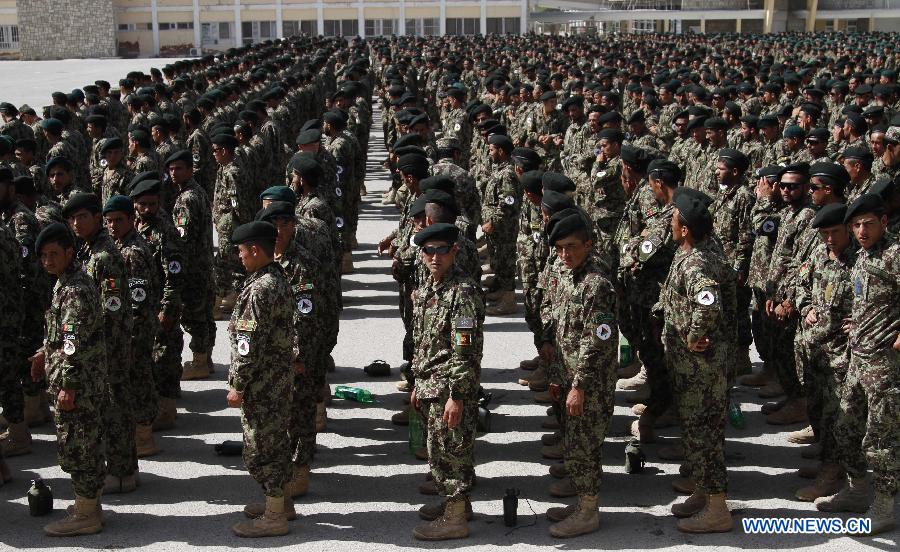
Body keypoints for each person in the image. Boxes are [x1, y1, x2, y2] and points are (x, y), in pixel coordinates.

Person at [816, 194, 899, 536]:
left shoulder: (895, 255)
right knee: (846, 427)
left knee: (882, 437)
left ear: (883, 221)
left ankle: (884, 504)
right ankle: (858, 488)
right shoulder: (863, 257)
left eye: (868, 223)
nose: (861, 231)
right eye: (856, 225)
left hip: (885, 365)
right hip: (858, 359)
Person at [657, 187, 736, 533]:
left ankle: (718, 508)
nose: (670, 225)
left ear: (685, 228)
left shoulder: (696, 262)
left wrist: (693, 335)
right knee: (696, 431)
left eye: (673, 220)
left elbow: (707, 303)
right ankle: (703, 492)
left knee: (705, 435)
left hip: (701, 368)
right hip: (692, 368)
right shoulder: (692, 252)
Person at [540, 211, 618, 538]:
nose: (564, 255)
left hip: (590, 383)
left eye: (571, 247)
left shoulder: (595, 285)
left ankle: (588, 511)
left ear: (588, 244)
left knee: (584, 446)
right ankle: (581, 504)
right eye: (559, 248)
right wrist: (558, 375)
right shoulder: (569, 274)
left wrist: (580, 385)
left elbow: (597, 341)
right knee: (573, 443)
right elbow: (564, 330)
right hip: (569, 376)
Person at [410, 223, 485, 541]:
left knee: (450, 451)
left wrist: (458, 395)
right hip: (430, 384)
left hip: (449, 387)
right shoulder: (429, 288)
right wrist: (417, 381)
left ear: (454, 251)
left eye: (442, 249)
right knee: (440, 449)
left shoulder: (462, 293)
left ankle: (455, 518)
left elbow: (465, 350)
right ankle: (458, 506)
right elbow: (423, 342)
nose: (435, 256)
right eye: (429, 250)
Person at [32, 223, 107, 536]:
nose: (48, 260)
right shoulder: (66, 282)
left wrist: (68, 386)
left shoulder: (74, 291)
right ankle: (88, 505)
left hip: (79, 383)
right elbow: (64, 336)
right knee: (81, 442)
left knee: (79, 446)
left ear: (69, 253)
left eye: (54, 254)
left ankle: (86, 515)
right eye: (43, 255)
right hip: (78, 379)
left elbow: (72, 345)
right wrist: (43, 352)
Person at [226, 221, 294, 537]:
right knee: (275, 441)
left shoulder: (259, 289)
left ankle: (274, 514)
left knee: (262, 448)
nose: (239, 257)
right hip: (277, 378)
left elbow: (246, 344)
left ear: (254, 250)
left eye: (241, 251)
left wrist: (238, 384)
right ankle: (280, 503)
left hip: (262, 382)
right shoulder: (277, 278)